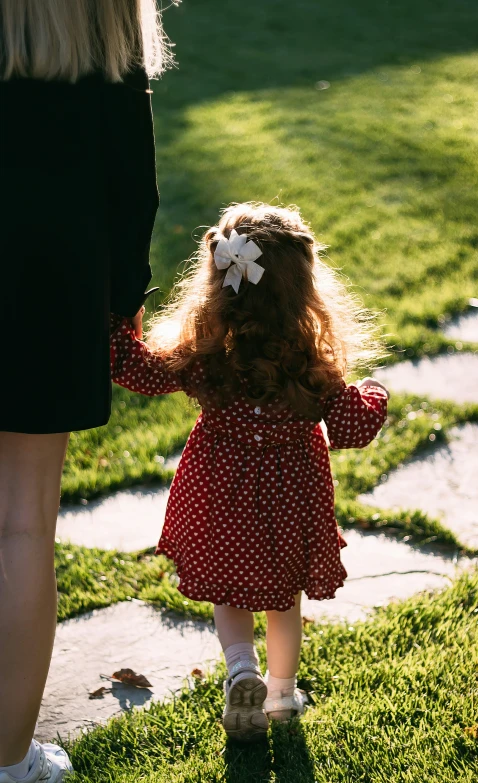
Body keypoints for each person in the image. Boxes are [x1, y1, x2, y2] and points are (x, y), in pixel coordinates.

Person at [110, 203, 390, 742]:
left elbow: (138, 371)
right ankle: (282, 695)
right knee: (284, 601)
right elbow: (353, 428)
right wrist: (376, 395)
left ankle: (242, 672)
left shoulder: (206, 353)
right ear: (302, 287)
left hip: (220, 495)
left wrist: (118, 324)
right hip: (289, 502)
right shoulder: (311, 361)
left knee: (231, 594)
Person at [0, 1, 171, 780]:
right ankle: (7, 759)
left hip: (51, 279)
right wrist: (121, 297)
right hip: (51, 280)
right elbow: (132, 177)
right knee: (23, 524)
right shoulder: (100, 13)